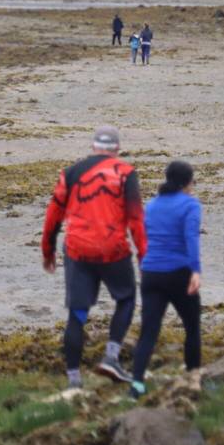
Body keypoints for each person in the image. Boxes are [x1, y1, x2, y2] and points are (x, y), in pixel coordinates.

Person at [42, 126, 147, 388]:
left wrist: (48, 250)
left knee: (77, 313)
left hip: (78, 250)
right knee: (126, 298)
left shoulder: (71, 173)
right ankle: (110, 357)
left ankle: (74, 381)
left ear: (93, 148)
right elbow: (136, 219)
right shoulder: (125, 173)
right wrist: (144, 258)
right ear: (116, 150)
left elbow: (53, 215)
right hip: (113, 249)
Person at [130, 161, 202, 399]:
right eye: (193, 181)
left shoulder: (152, 205)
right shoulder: (190, 205)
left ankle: (137, 385)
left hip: (151, 274)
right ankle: (193, 379)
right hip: (178, 272)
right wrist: (196, 271)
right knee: (192, 328)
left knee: (148, 332)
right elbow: (191, 239)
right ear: (185, 182)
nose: (193, 185)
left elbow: (145, 237)